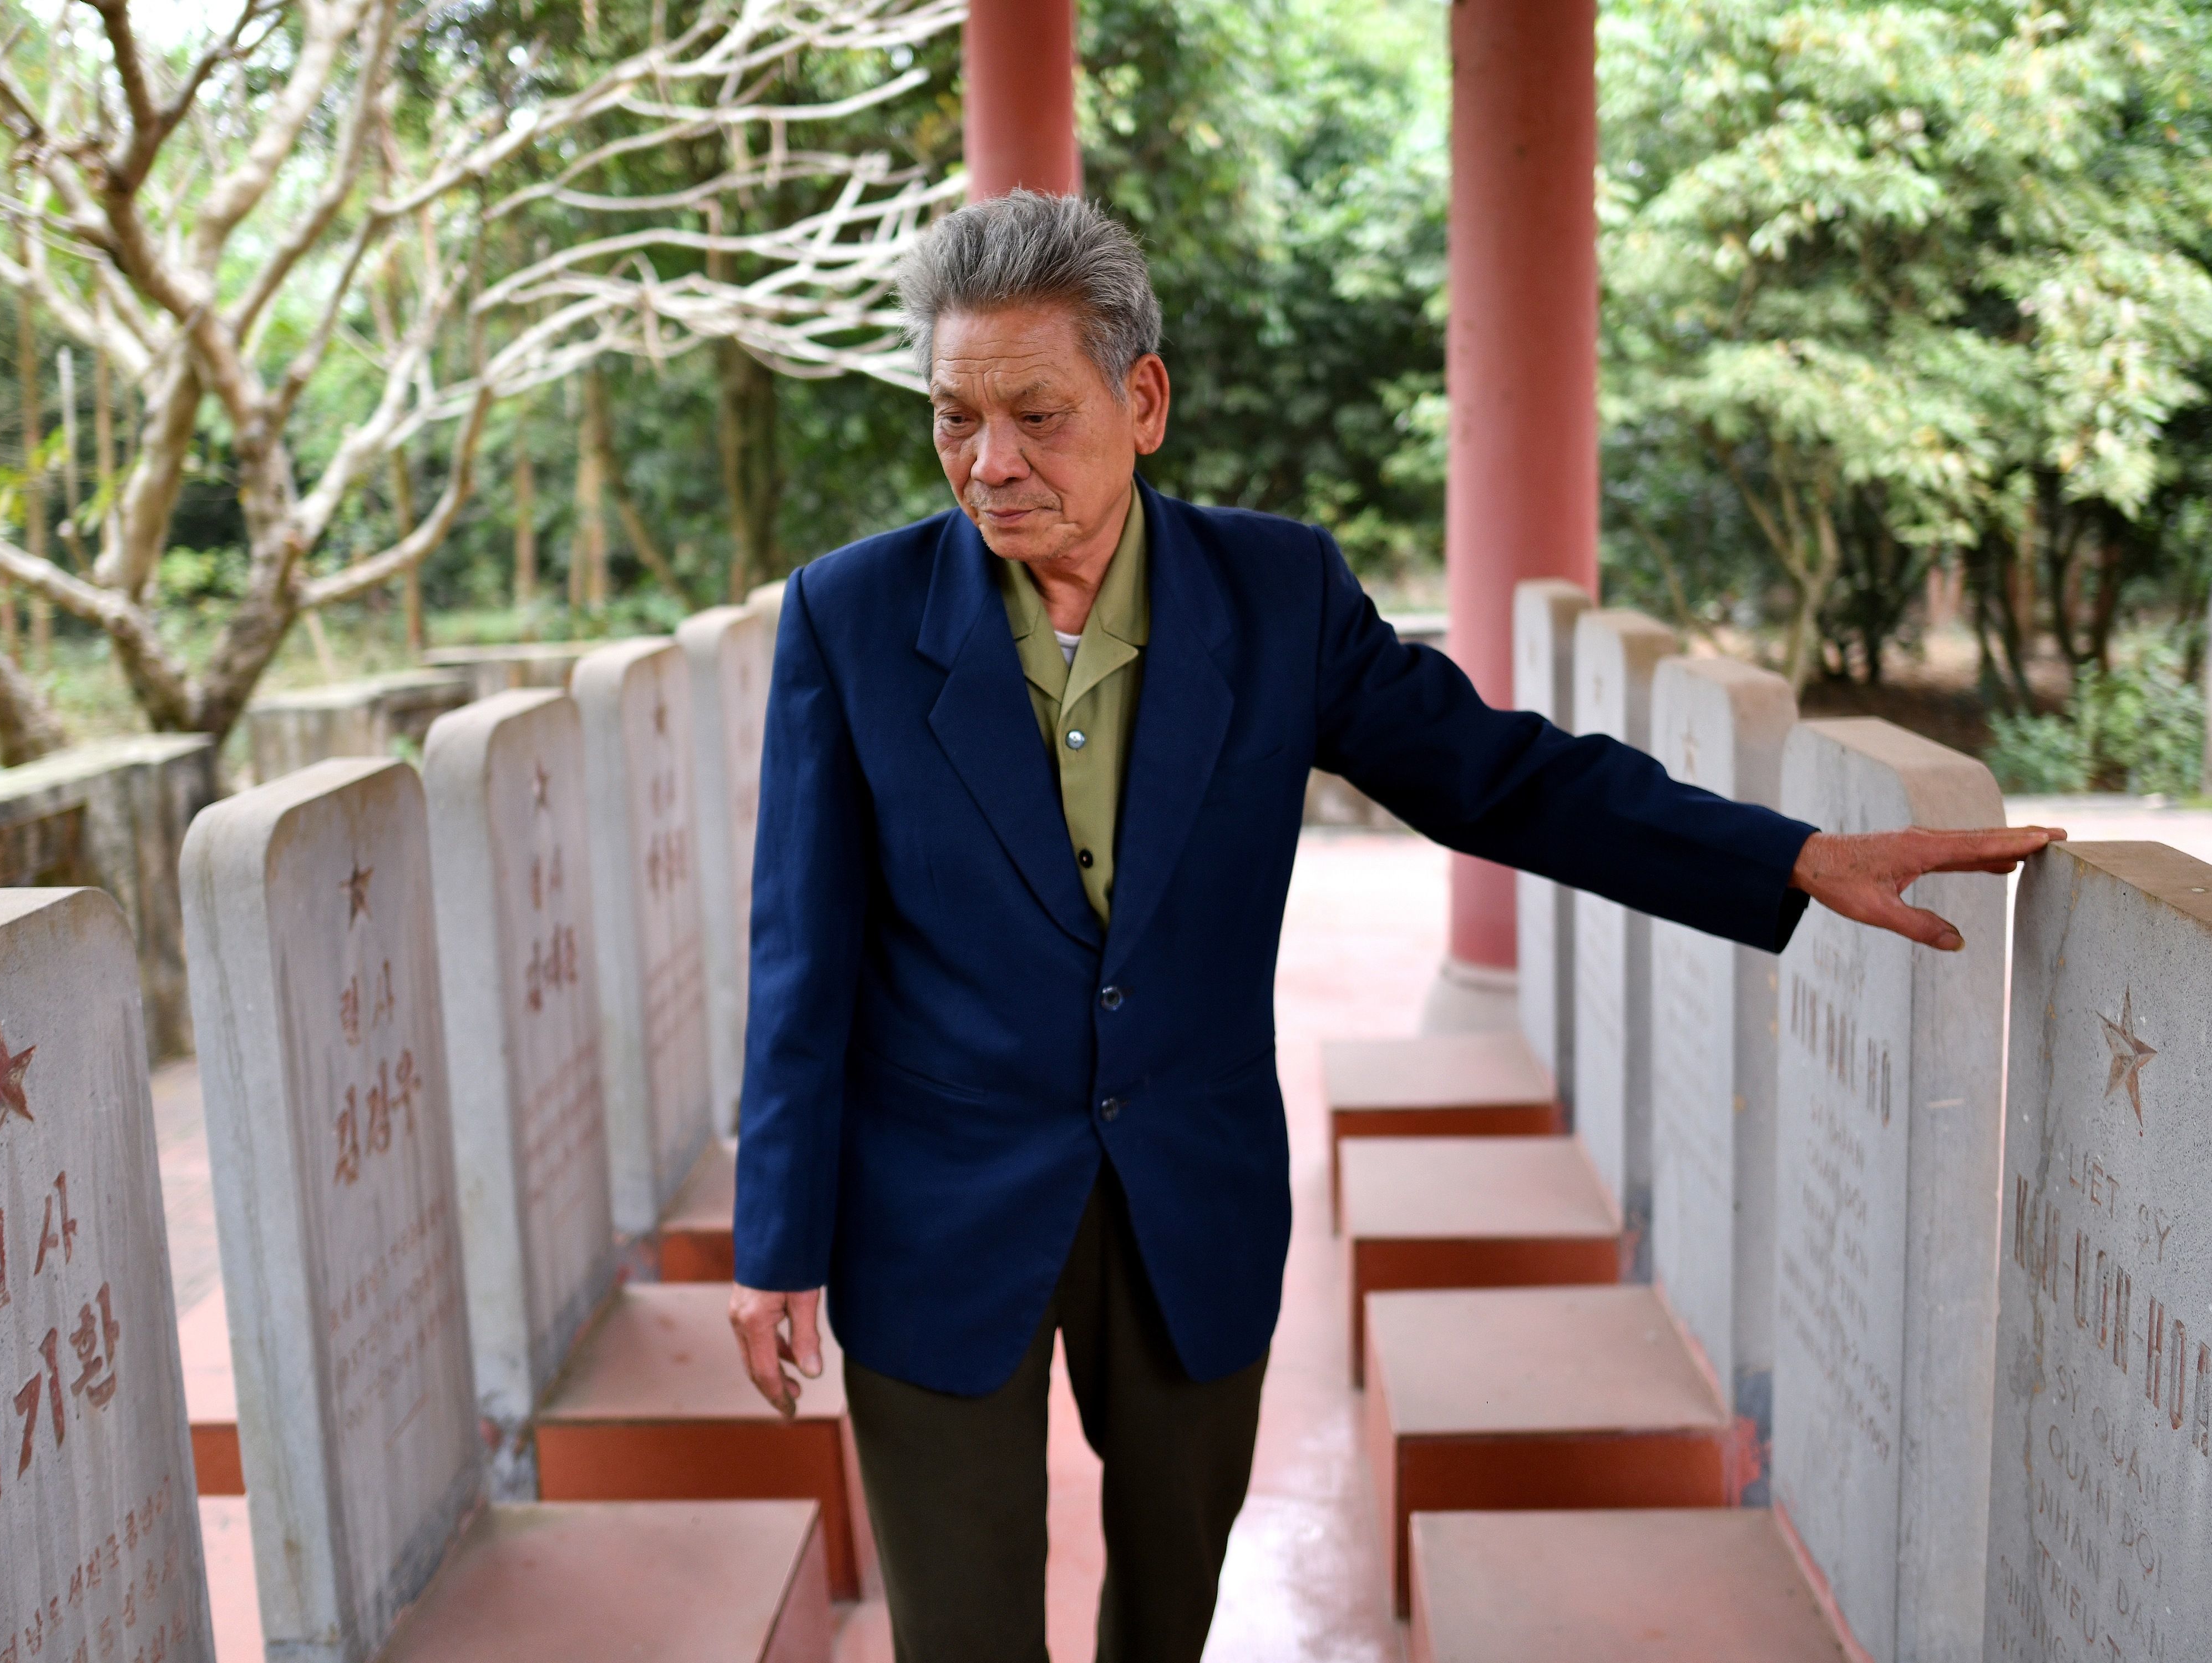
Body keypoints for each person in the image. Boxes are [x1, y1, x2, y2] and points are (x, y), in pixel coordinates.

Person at [726, 191, 2060, 1663]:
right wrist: (776, 1238)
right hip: (932, 1208)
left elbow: (1506, 781)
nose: (990, 463)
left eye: (1036, 414)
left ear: (1143, 399)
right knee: (960, 1641)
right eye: (953, 418)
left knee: (1165, 1614)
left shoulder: (1275, 596)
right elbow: (801, 949)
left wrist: (1792, 856)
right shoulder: (848, 620)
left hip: (1191, 1194)